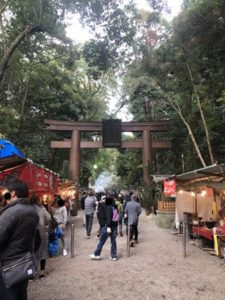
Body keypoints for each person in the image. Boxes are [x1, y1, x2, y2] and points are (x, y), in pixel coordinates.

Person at [0, 179, 39, 300]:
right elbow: (36, 239)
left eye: (5, 193)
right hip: (24, 264)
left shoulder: (9, 213)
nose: (3, 195)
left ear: (12, 193)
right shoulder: (33, 211)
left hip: (8, 266)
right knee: (21, 295)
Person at [30, 193, 51, 279]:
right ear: (38, 200)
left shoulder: (29, 208)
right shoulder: (42, 208)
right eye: (40, 199)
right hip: (41, 232)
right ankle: (42, 272)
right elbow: (49, 218)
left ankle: (32, 273)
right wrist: (46, 224)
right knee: (42, 252)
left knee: (32, 253)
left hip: (31, 233)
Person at [90, 196, 118, 261]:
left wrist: (108, 226)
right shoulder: (114, 207)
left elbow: (108, 218)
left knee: (101, 241)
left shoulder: (108, 208)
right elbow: (116, 217)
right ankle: (114, 256)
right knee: (113, 241)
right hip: (114, 226)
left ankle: (96, 254)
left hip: (108, 227)